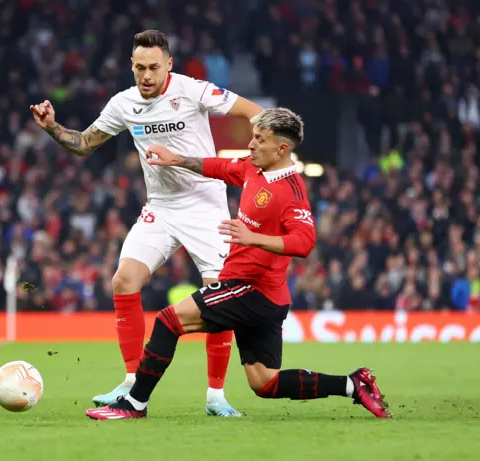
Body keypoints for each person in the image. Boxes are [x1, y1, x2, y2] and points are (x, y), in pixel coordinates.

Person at [86, 108, 392, 420]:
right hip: (266, 297)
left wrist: (253, 237)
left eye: (260, 139)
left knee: (168, 321)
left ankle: (134, 405)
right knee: (265, 382)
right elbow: (218, 166)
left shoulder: (292, 192)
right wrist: (176, 158)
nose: (251, 145)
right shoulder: (253, 169)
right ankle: (353, 385)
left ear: (282, 149)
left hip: (251, 288)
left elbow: (304, 241)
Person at [29, 30, 263, 416]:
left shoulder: (192, 90)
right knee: (123, 280)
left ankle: (215, 396)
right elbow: (85, 144)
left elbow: (251, 110)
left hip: (206, 205)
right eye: (140, 67)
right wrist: (53, 127)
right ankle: (131, 379)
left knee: (216, 296)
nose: (147, 75)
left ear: (169, 64)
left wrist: (260, 150)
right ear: (131, 66)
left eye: (154, 67)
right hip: (162, 207)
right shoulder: (124, 103)